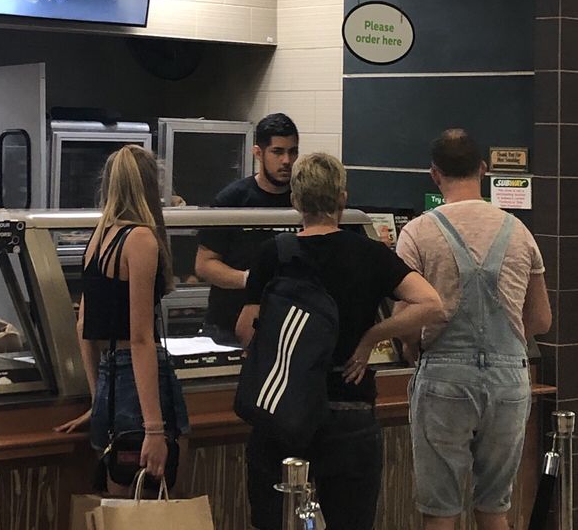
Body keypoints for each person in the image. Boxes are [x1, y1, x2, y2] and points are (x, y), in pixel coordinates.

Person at [236, 152, 444, 530]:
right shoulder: (370, 253)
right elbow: (431, 304)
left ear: (295, 200)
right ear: (343, 199)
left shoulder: (273, 253)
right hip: (350, 410)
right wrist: (371, 337)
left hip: (283, 410)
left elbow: (245, 330)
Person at [395, 129, 553, 530]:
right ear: (483, 169)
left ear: (434, 174)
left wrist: (412, 346)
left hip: (443, 379)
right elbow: (541, 320)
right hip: (509, 382)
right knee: (494, 509)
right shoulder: (519, 232)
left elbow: (405, 315)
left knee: (441, 511)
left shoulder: (417, 232)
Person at [56, 145, 189, 484]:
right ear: (151, 184)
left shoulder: (99, 238)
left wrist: (98, 398)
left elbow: (84, 326)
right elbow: (140, 338)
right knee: (156, 498)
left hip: (109, 378)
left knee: (117, 496)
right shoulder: (141, 239)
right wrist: (154, 428)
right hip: (139, 385)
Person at [195, 113, 300, 344]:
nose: (286, 160)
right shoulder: (232, 199)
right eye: (277, 152)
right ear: (258, 153)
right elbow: (204, 265)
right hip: (228, 327)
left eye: (292, 152)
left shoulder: (302, 200)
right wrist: (250, 279)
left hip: (286, 328)